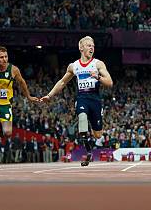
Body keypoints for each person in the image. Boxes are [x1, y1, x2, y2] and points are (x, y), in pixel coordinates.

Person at [41, 36, 113, 166]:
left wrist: (98, 76)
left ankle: (91, 131)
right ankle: (88, 152)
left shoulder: (98, 64)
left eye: (93, 45)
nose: (91, 47)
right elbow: (62, 82)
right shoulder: (74, 66)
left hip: (95, 100)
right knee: (82, 118)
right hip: (82, 98)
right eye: (88, 45)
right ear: (81, 47)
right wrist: (49, 95)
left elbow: (110, 82)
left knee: (98, 135)